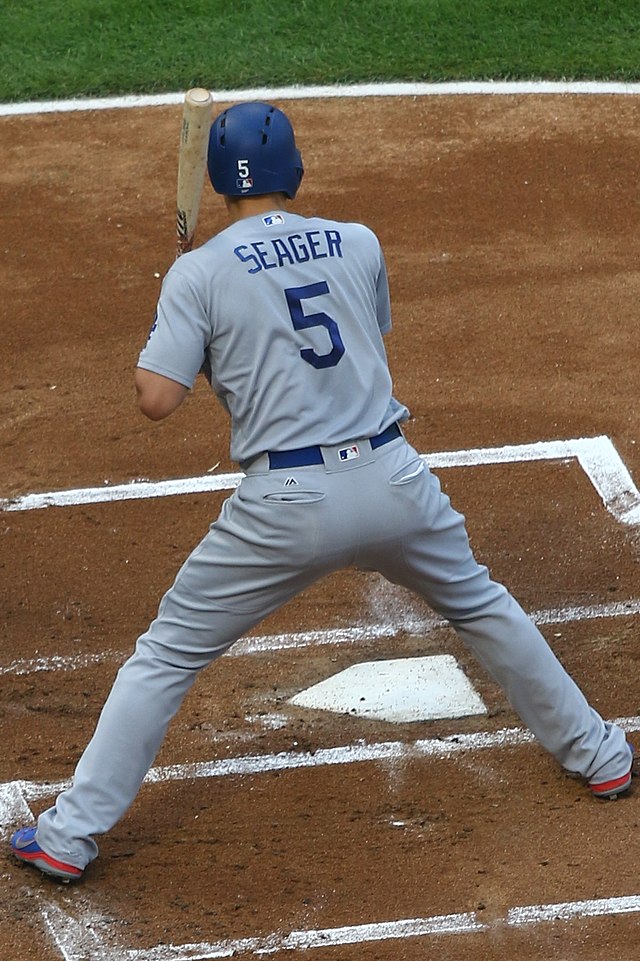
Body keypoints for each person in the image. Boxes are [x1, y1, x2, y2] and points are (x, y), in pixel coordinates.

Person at [10, 101, 634, 883]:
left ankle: (69, 837)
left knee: (165, 656)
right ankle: (602, 756)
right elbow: (352, 333)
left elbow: (155, 397)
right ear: (292, 169)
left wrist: (185, 311)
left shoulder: (197, 273)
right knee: (483, 605)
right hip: (394, 478)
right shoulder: (359, 242)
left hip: (288, 504)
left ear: (218, 181)